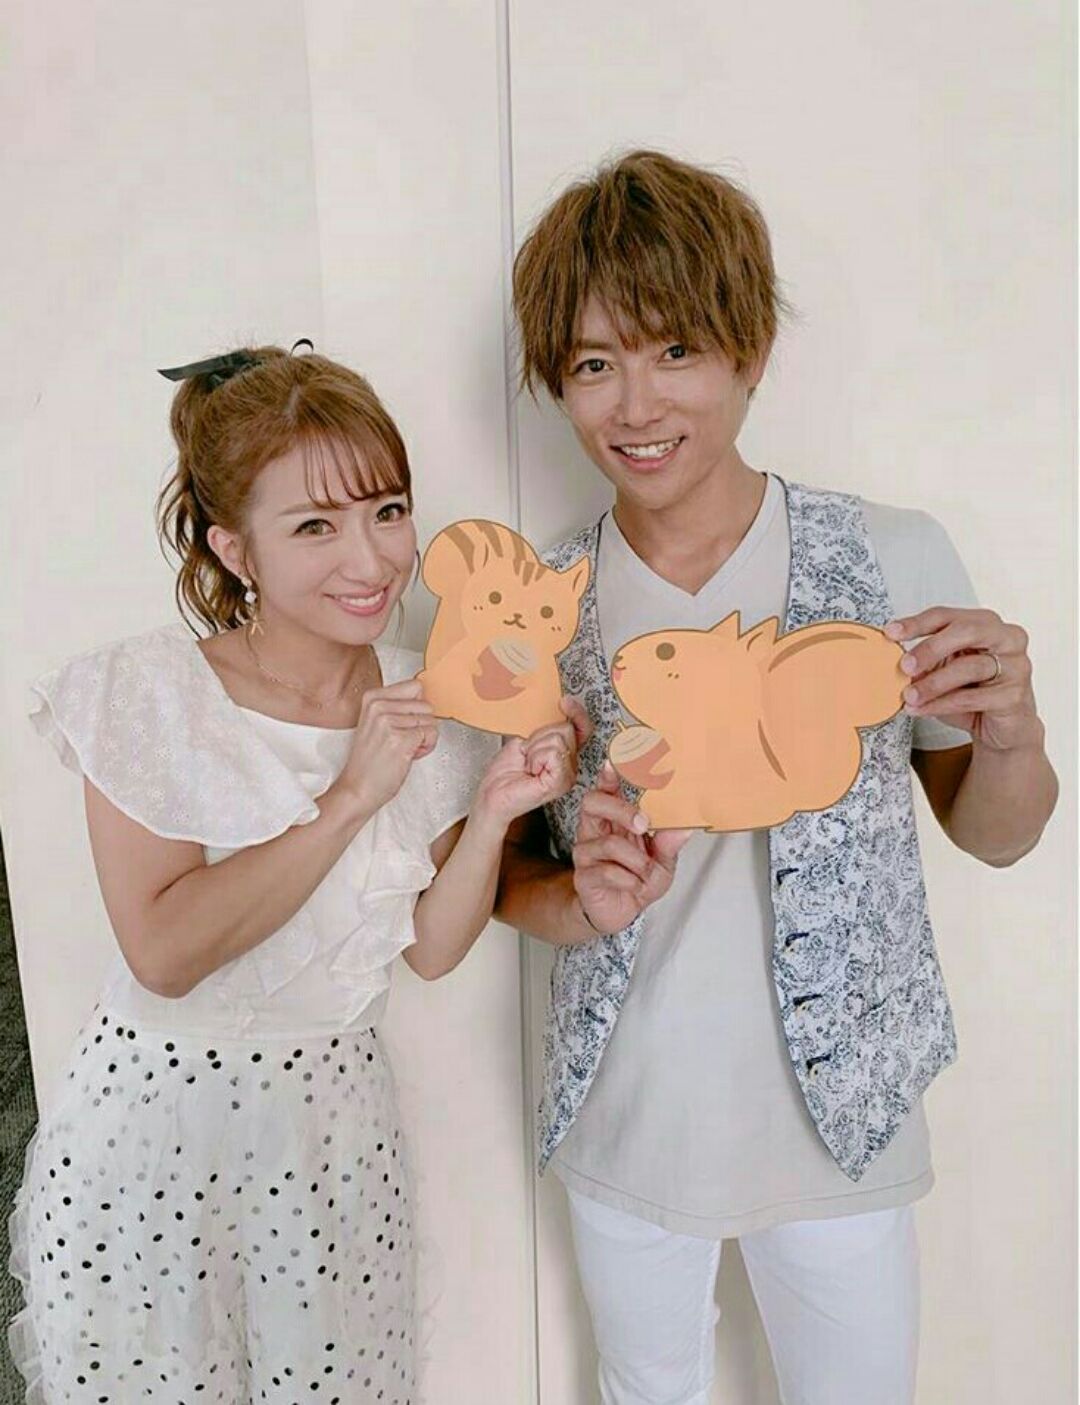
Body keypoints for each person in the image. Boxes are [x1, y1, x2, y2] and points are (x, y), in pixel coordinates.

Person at [497, 150, 1059, 1405]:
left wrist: (1014, 735)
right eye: (593, 363)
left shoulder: (892, 556)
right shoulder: (540, 598)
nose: (637, 403)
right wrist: (579, 892)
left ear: (749, 351)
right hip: (630, 1112)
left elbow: (999, 835)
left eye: (676, 349)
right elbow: (507, 877)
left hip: (841, 1115)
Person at [9, 343, 574, 1403]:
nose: (371, 558)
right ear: (235, 549)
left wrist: (497, 806)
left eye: (388, 511)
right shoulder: (144, 693)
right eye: (316, 525)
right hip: (158, 1132)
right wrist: (350, 795)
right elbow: (164, 952)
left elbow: (433, 947)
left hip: (335, 1134)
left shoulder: (435, 695)